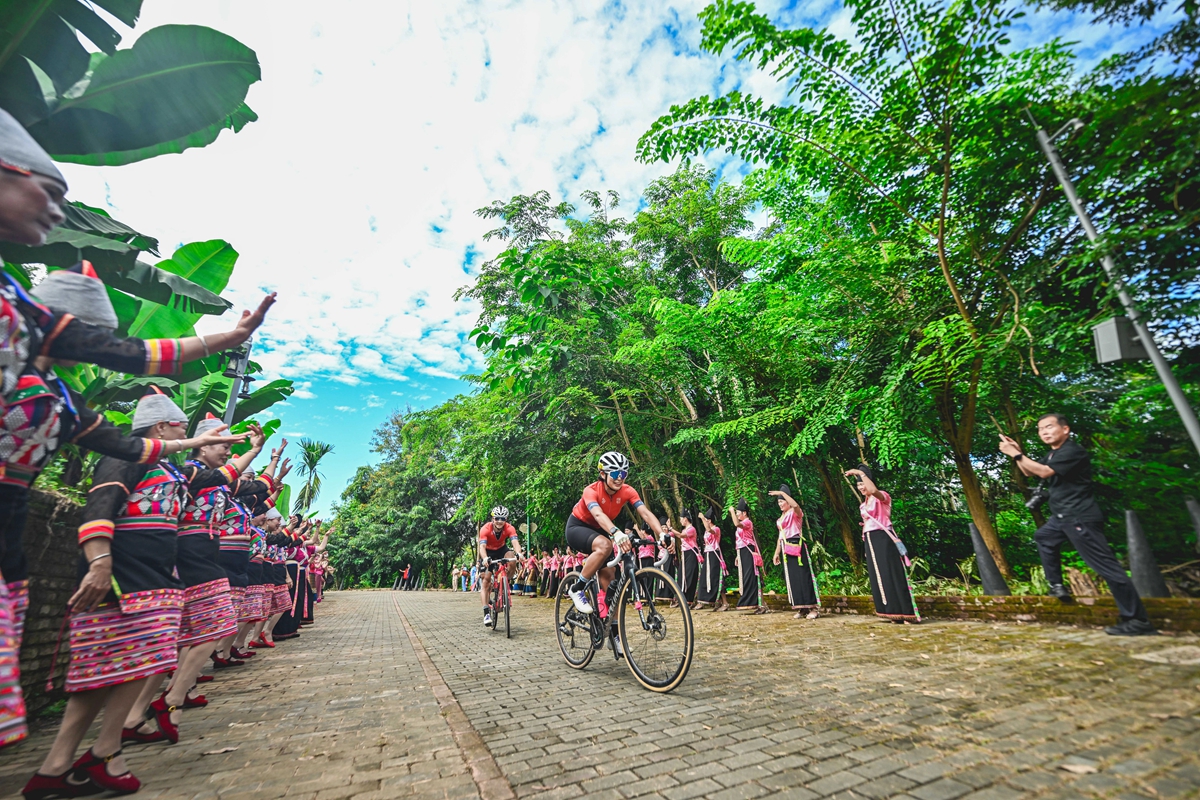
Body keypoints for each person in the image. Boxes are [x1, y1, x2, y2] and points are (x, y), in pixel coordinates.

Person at [23, 395, 198, 797]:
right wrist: (99, 563)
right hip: (123, 581)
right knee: (109, 671)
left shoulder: (162, 466)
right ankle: (95, 754)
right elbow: (99, 507)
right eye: (179, 426)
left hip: (151, 580)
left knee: (121, 670)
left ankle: (69, 762)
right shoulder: (125, 457)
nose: (183, 433)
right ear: (160, 428)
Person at [1000, 414, 1156, 636]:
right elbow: (1030, 471)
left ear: (1065, 429)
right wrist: (1018, 453)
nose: (1044, 431)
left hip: (1079, 517)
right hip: (1061, 518)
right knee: (1044, 537)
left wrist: (1015, 453)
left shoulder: (1072, 451)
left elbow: (1044, 472)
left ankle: (1138, 621)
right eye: (1040, 429)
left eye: (1049, 427)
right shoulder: (1053, 453)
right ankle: (1057, 586)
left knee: (1106, 567)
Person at [563, 451, 666, 656]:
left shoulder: (627, 491)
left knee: (612, 585)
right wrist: (616, 532)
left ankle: (614, 634)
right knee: (605, 546)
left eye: (624, 473)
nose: (620, 477)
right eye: (615, 473)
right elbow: (598, 514)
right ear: (603, 474)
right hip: (578, 527)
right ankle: (577, 588)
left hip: (604, 530)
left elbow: (644, 512)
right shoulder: (591, 491)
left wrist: (661, 533)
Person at [845, 465, 920, 623]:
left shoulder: (882, 496)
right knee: (879, 575)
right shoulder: (863, 505)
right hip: (870, 540)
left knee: (892, 572)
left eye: (862, 484)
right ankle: (891, 612)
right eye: (858, 485)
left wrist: (859, 473)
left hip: (884, 538)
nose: (861, 488)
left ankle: (907, 613)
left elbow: (873, 491)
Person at [770, 484, 820, 619]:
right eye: (778, 502)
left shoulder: (794, 513)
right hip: (786, 548)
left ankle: (813, 607)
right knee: (793, 578)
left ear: (787, 500)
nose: (780, 504)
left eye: (782, 501)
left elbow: (796, 506)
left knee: (804, 576)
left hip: (797, 545)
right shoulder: (780, 519)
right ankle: (801, 608)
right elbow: (780, 536)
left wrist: (783, 493)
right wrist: (776, 552)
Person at [477, 506, 523, 627]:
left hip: (501, 549)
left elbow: (515, 543)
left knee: (512, 558)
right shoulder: (485, 529)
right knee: (486, 582)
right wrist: (485, 558)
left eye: (502, 518)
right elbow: (481, 547)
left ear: (506, 519)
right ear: (493, 518)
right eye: (497, 518)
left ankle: (505, 582)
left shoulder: (509, 528)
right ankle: (486, 613)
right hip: (488, 552)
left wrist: (519, 554)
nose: (499, 521)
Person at [730, 499, 768, 613]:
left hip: (748, 551)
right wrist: (738, 555)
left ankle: (760, 604)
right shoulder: (741, 525)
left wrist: (731, 511)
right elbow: (739, 541)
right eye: (736, 512)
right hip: (742, 551)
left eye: (738, 512)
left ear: (744, 513)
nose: (736, 514)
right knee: (746, 577)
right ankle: (758, 604)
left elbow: (736, 523)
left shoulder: (747, 522)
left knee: (751, 576)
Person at [695, 506, 729, 611]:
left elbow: (709, 529)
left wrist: (702, 518)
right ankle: (714, 602)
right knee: (706, 577)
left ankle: (725, 603)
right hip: (708, 554)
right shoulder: (706, 531)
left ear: (709, 520)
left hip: (715, 555)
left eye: (706, 520)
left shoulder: (716, 529)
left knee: (716, 578)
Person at [678, 510, 701, 605]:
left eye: (681, 519)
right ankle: (683, 597)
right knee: (682, 575)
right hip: (685, 553)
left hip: (691, 553)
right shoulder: (684, 529)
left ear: (685, 519)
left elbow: (681, 535)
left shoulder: (691, 529)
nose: (680, 521)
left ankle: (689, 599)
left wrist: (671, 529)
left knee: (689, 575)